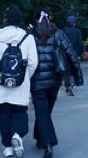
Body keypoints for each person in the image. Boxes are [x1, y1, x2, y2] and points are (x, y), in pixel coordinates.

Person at [31, 9, 84, 158]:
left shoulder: (31, 35)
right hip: (55, 80)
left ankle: (48, 144)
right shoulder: (58, 33)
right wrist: (78, 77)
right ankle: (39, 137)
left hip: (36, 80)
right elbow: (71, 54)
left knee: (42, 111)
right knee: (45, 111)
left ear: (36, 19)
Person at [0, 5, 38, 157]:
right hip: (21, 84)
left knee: (3, 114)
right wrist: (24, 77)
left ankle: (7, 147)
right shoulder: (27, 37)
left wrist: (1, 75)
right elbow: (33, 62)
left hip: (2, 83)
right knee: (20, 112)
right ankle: (17, 135)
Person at [62, 14, 84, 96]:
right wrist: (80, 53)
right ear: (74, 23)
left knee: (66, 69)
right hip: (74, 53)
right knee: (74, 69)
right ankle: (71, 84)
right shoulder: (77, 31)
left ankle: (67, 85)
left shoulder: (63, 31)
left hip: (65, 53)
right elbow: (79, 43)